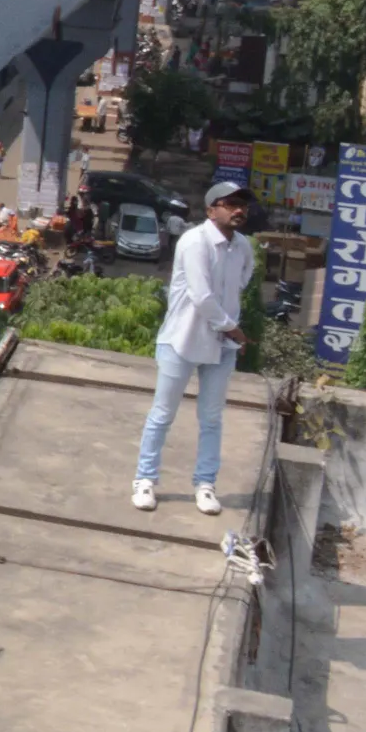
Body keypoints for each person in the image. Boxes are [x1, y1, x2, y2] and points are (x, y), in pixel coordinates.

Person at [136, 182, 254, 514]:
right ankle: (145, 480)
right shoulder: (194, 241)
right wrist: (234, 328)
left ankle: (205, 484)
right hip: (183, 340)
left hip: (222, 347)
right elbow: (201, 297)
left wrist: (229, 330)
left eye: (242, 205)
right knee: (163, 414)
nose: (238, 210)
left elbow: (244, 279)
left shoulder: (243, 246)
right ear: (211, 209)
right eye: (230, 204)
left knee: (212, 418)